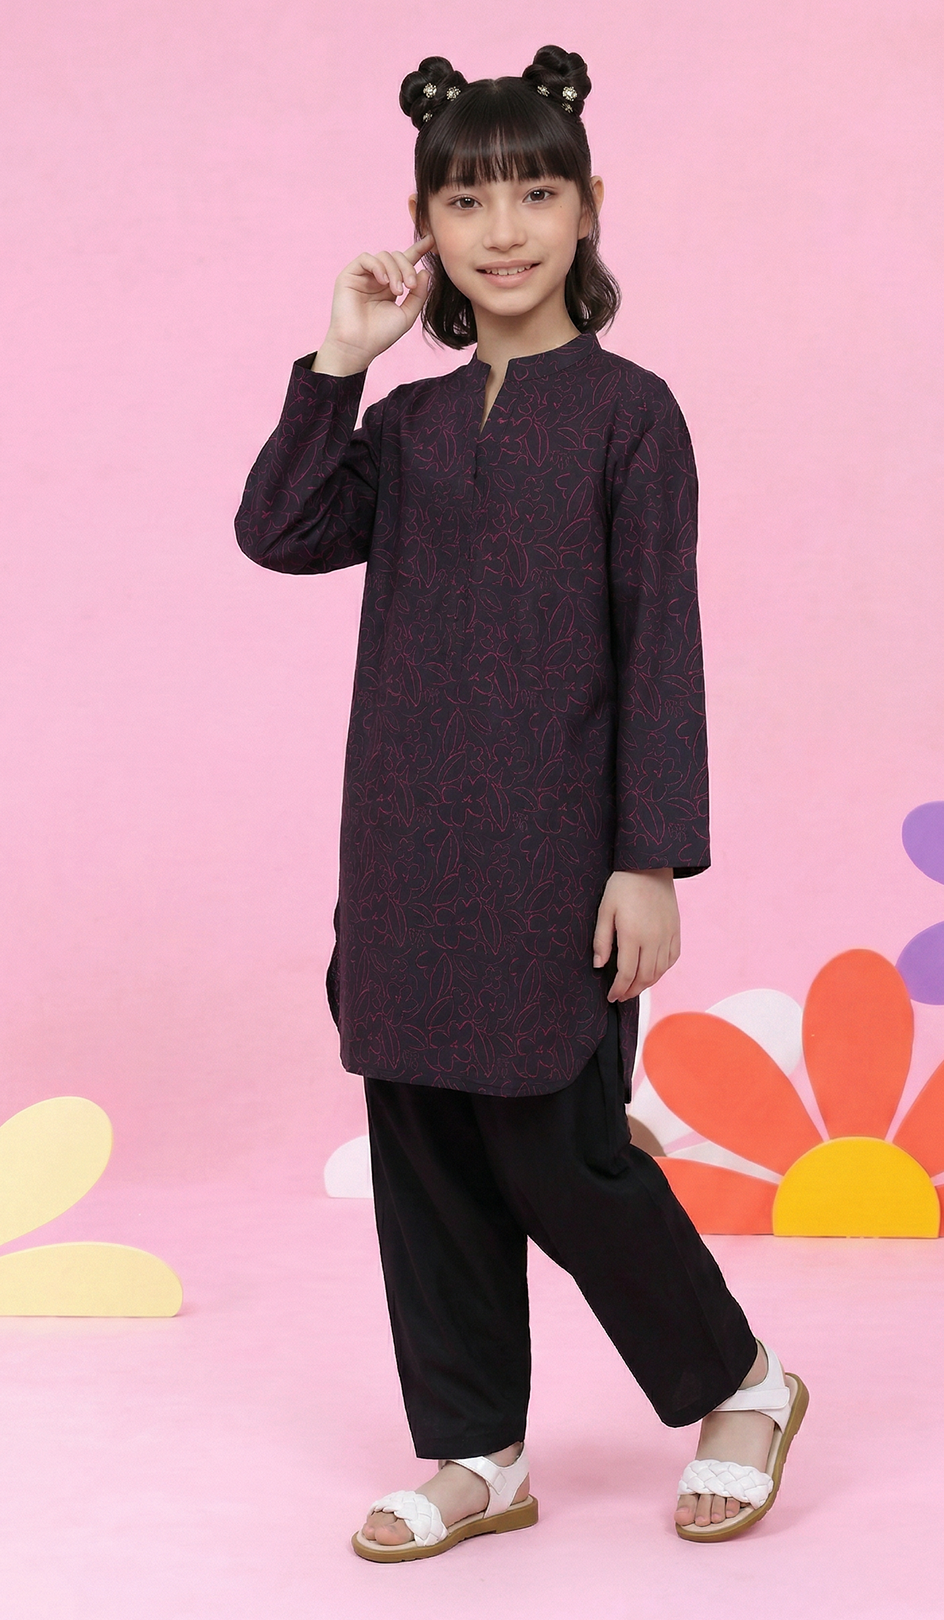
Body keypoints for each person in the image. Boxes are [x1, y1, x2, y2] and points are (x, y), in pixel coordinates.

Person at [235, 44, 808, 1558]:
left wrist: (650, 859)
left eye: (536, 194)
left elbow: (662, 643)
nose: (504, 230)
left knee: (567, 1154)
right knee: (424, 1156)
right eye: (468, 199)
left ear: (589, 206)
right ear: (423, 223)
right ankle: (476, 1451)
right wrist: (343, 358)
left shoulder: (631, 415)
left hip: (559, 858)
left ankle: (740, 1382)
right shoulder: (409, 429)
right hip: (403, 853)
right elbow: (278, 528)